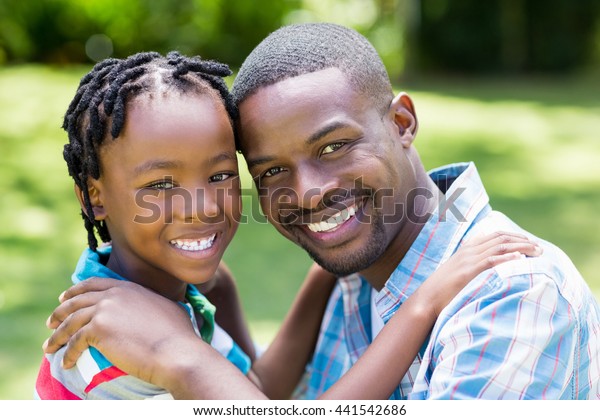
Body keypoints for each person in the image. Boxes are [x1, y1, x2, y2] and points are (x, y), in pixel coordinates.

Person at [44, 23, 600, 399]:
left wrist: (189, 348)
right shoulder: (112, 337)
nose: (308, 195)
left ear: (402, 124)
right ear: (94, 194)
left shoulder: (511, 295)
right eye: (270, 172)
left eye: (334, 146)